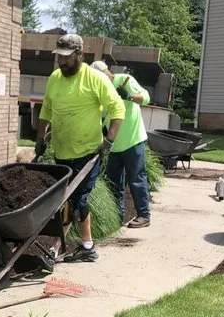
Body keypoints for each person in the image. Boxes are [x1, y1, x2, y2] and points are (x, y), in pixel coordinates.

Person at [34, 34, 125, 262]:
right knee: (65, 201)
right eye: (59, 58)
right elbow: (46, 111)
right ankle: (87, 246)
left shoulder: (95, 79)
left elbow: (118, 109)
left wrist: (109, 141)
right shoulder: (55, 78)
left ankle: (56, 249)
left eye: (66, 58)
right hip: (62, 152)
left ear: (79, 55)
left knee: (77, 200)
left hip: (88, 153)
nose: (61, 62)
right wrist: (40, 139)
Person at [91, 60, 151, 228]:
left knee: (136, 179)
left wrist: (129, 96)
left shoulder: (125, 80)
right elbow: (101, 116)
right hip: (113, 145)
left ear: (108, 72)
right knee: (113, 182)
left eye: (102, 78)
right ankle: (117, 217)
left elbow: (146, 97)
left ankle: (144, 215)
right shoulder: (99, 89)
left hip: (133, 141)